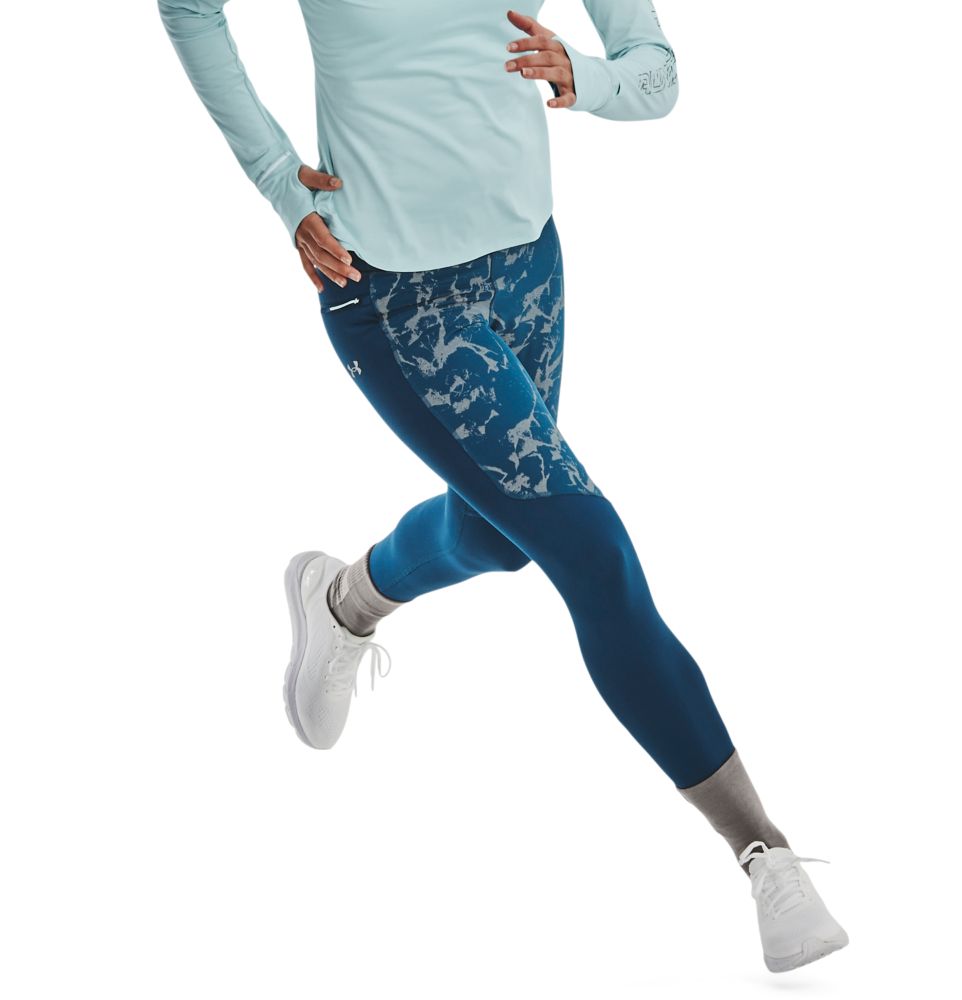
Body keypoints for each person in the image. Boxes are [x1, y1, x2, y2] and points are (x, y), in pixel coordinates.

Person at [158, 0, 849, 974]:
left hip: (528, 262)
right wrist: (279, 180)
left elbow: (653, 73)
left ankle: (342, 600)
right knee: (593, 554)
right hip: (394, 295)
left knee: (501, 537)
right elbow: (188, 7)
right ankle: (762, 851)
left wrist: (584, 75)